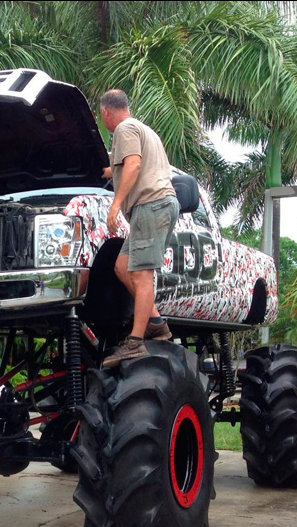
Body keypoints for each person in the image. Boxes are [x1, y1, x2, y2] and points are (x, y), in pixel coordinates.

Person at [98, 89, 179, 368]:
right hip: (158, 206)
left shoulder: (124, 128)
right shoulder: (145, 130)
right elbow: (123, 166)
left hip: (150, 205)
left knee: (141, 274)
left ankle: (135, 342)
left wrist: (115, 204)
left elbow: (133, 164)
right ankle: (155, 321)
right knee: (122, 266)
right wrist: (105, 170)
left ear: (106, 112)